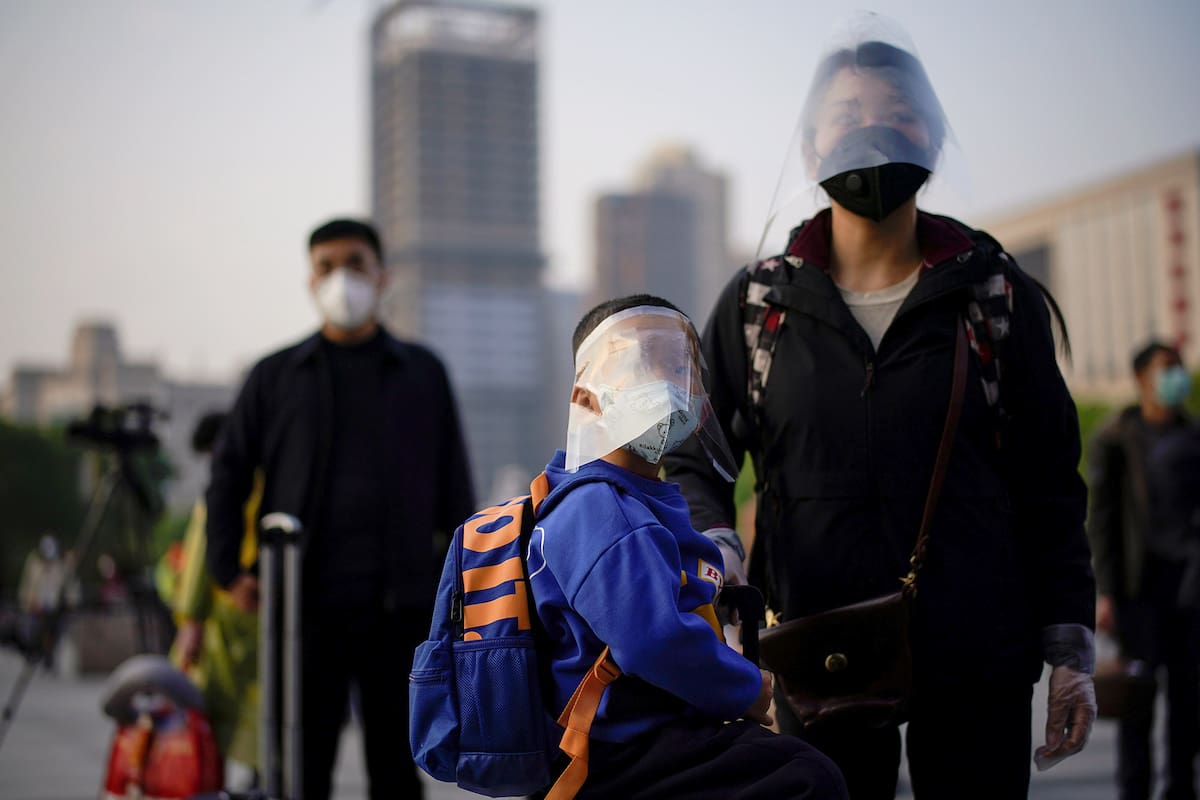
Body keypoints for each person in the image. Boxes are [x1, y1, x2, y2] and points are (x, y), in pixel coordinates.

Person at [663, 13, 1096, 798]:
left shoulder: (989, 290)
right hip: (816, 648)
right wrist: (720, 567)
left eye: (897, 113)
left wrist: (1070, 650)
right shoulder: (761, 303)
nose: (873, 133)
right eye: (847, 117)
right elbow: (698, 459)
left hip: (978, 650)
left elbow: (1049, 481)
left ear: (932, 137)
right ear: (809, 147)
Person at [529, 294, 847, 799]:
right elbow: (653, 639)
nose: (668, 380)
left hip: (652, 734)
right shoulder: (600, 506)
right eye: (641, 361)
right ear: (586, 397)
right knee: (808, 778)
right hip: (621, 748)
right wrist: (745, 687)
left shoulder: (632, 498)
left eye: (681, 365)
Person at [205, 218, 475, 800]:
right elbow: (227, 472)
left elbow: (455, 484)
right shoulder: (276, 376)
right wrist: (227, 570)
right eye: (326, 267)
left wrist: (463, 585)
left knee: (398, 766)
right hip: (302, 606)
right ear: (310, 281)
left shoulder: (423, 373)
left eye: (355, 263)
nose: (341, 279)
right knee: (301, 764)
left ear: (383, 277)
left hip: (401, 605)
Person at [1088, 341, 1198, 800]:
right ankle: (1134, 791)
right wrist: (1106, 593)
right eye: (1165, 370)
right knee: (1137, 703)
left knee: (1188, 704)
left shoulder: (1193, 437)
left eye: (1179, 369)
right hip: (1139, 591)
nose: (1176, 378)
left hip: (1190, 589)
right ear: (1142, 379)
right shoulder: (1115, 440)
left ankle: (1180, 789)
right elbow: (1104, 523)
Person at [161, 411, 260, 790]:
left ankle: (205, 787)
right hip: (261, 621)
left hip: (223, 628)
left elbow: (203, 559)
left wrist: (191, 619)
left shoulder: (221, 493)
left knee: (208, 723)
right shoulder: (270, 479)